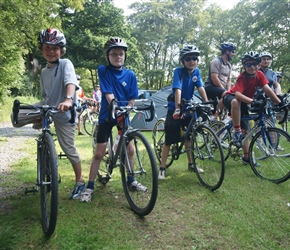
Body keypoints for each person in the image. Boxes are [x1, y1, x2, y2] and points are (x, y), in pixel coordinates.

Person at [11, 28, 85, 199]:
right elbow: (45, 96)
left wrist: (68, 100)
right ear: (41, 49)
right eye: (47, 47)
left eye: (55, 48)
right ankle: (39, 118)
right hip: (48, 107)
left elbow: (70, 83)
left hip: (65, 113)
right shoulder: (44, 72)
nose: (51, 51)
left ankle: (79, 181)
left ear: (61, 50)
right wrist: (40, 113)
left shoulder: (66, 64)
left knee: (68, 147)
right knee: (16, 116)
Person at [80, 37, 145, 202]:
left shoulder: (130, 74)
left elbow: (132, 98)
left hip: (123, 114)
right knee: (99, 154)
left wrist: (128, 108)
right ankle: (90, 186)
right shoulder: (104, 70)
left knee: (130, 150)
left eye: (121, 54)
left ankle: (131, 180)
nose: (118, 57)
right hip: (107, 115)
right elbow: (108, 93)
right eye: (114, 54)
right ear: (108, 56)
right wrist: (115, 107)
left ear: (125, 56)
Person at [222, 51, 282, 164]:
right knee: (235, 102)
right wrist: (253, 101)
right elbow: (238, 94)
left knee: (246, 130)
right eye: (248, 64)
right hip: (231, 97)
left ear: (259, 65)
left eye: (254, 64)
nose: (252, 67)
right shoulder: (242, 77)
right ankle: (236, 131)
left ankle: (246, 157)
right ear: (244, 66)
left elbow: (267, 89)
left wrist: (279, 102)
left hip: (244, 101)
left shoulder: (260, 75)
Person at [158, 45, 208, 180]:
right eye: (188, 59)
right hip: (175, 106)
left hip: (188, 107)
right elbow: (177, 89)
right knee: (169, 140)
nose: (192, 61)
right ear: (183, 61)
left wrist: (206, 103)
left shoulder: (196, 72)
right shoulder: (178, 71)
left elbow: (201, 87)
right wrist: (178, 108)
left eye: (195, 58)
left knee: (188, 137)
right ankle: (162, 168)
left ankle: (191, 164)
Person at [205, 41, 237, 118]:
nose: (234, 54)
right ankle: (215, 115)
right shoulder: (216, 61)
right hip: (211, 87)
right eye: (233, 52)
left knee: (234, 93)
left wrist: (229, 90)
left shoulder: (229, 65)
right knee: (227, 95)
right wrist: (225, 91)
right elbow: (214, 78)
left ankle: (227, 115)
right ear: (227, 51)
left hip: (222, 89)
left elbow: (228, 80)